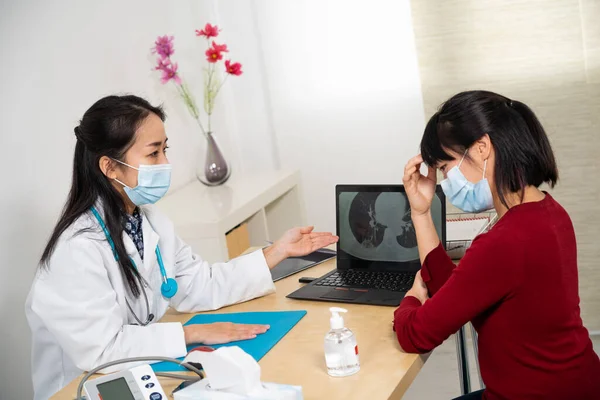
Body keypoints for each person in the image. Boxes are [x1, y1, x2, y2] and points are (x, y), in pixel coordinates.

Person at [26, 95, 338, 400]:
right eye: (153, 154)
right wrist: (191, 333)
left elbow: (199, 284)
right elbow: (101, 349)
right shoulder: (75, 249)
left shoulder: (150, 221)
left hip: (141, 369)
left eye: (165, 150)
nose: (165, 163)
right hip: (82, 387)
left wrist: (275, 253)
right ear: (110, 167)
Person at [394, 90, 600, 399]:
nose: (445, 182)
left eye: (446, 167)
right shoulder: (548, 211)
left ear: (481, 148)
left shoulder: (506, 241)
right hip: (576, 384)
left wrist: (409, 302)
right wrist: (421, 213)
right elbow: (461, 288)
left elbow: (416, 335)